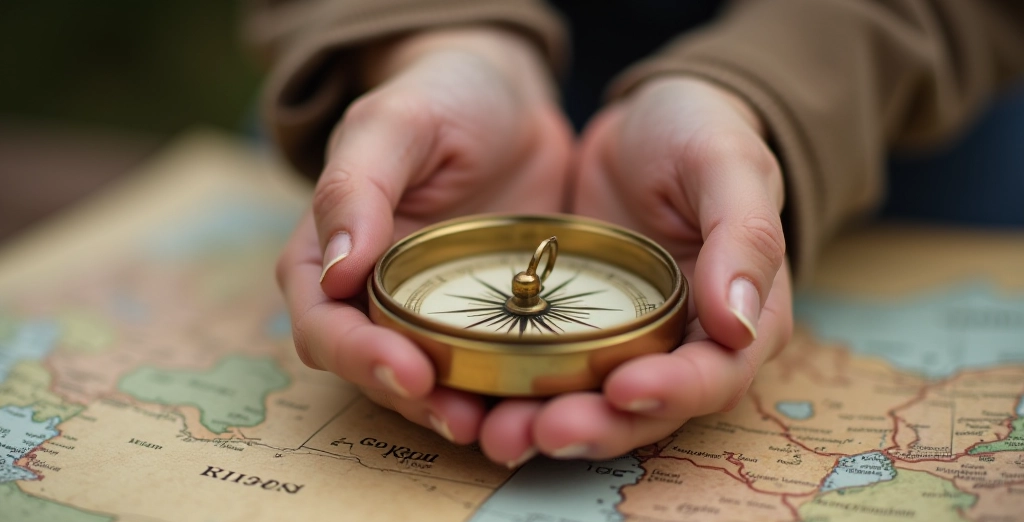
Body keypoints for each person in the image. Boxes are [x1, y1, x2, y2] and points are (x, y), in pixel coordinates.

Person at [245, 0, 1024, 468]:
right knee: (354, 188)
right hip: (409, 102)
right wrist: (421, 39)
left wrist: (769, 93)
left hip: (881, 97)